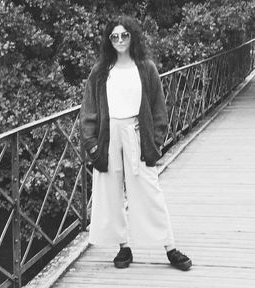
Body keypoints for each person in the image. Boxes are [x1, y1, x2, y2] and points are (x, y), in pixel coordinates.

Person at [80, 15, 192, 271]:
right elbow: (88, 110)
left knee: (150, 191)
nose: (120, 40)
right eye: (114, 36)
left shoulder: (146, 67)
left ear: (133, 37)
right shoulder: (101, 71)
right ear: (109, 40)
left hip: (137, 134)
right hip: (108, 137)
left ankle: (170, 247)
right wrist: (92, 144)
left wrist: (155, 140)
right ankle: (123, 247)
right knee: (111, 194)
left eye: (124, 35)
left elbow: (158, 108)